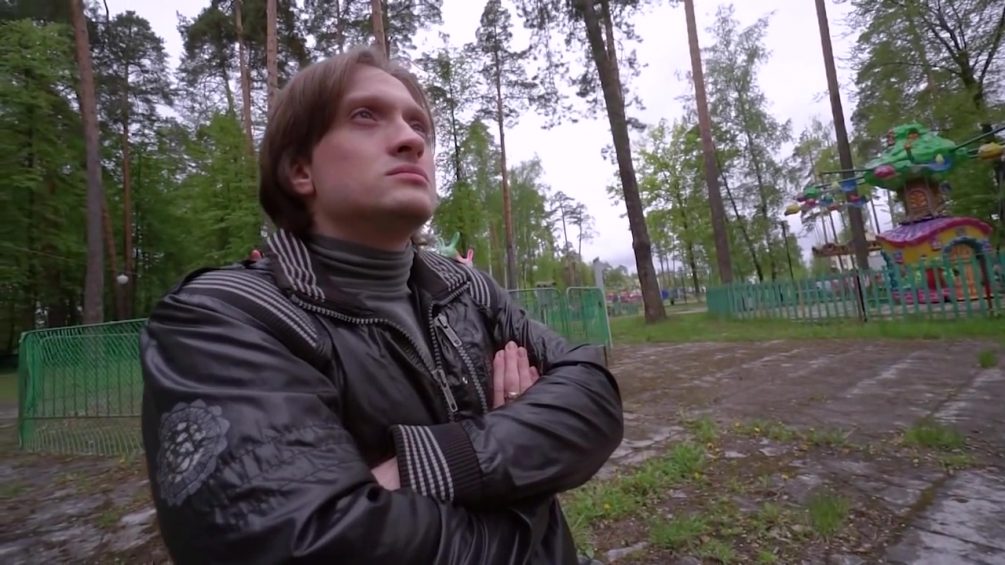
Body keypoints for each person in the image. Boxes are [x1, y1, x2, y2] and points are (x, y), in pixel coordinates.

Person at [139, 44, 623, 565]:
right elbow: (298, 543)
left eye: (418, 125)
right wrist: (529, 493)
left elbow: (593, 394)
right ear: (300, 170)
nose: (411, 139)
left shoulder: (467, 289)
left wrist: (431, 462)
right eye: (366, 116)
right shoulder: (223, 318)